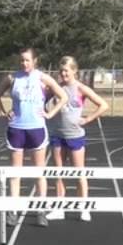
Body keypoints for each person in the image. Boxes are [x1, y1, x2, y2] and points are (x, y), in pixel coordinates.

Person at [0, 47, 66, 227]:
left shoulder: (42, 78)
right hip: (16, 129)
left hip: (36, 129)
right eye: (22, 60)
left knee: (39, 171)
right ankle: (13, 211)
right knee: (15, 172)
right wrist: (3, 112)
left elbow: (63, 96)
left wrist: (50, 114)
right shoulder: (12, 78)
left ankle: (41, 210)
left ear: (35, 61)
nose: (24, 63)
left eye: (27, 60)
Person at [46, 55, 109, 221]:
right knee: (58, 173)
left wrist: (88, 119)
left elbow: (103, 105)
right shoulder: (55, 87)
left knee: (79, 172)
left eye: (66, 71)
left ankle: (84, 207)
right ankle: (59, 207)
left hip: (75, 136)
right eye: (61, 71)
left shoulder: (80, 88)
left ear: (74, 71)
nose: (63, 74)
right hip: (57, 135)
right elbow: (41, 101)